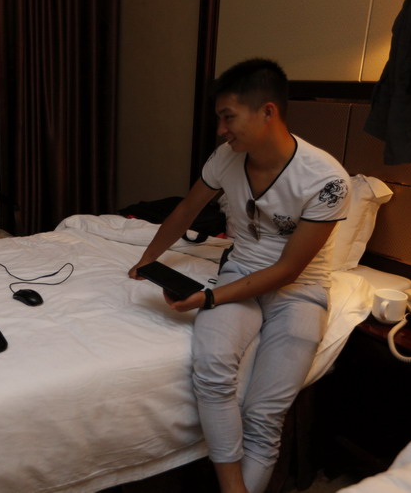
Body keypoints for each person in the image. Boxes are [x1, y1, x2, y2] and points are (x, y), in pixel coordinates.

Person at [128, 59, 350, 493]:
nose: (221, 130)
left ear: (268, 111)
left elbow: (288, 270)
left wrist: (209, 298)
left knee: (264, 412)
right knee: (212, 368)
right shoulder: (227, 158)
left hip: (299, 290)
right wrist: (147, 260)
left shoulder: (327, 181)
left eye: (228, 117)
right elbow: (186, 210)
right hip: (240, 271)